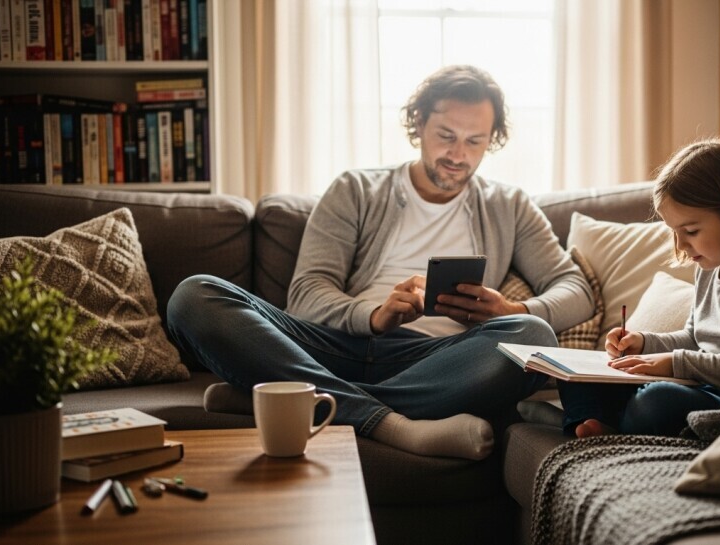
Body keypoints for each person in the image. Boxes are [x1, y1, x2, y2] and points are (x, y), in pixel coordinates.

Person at [166, 65, 595, 460]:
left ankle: (294, 398)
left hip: (436, 360)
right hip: (333, 347)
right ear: (419, 123)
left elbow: (575, 289)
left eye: (474, 141)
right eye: (445, 134)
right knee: (193, 295)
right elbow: (306, 292)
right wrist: (373, 316)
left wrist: (512, 311)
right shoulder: (356, 189)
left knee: (532, 334)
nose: (458, 153)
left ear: (491, 140)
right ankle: (391, 424)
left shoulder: (510, 206)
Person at [559, 136, 720, 438]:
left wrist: (674, 363)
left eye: (691, 231)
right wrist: (642, 343)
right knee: (573, 374)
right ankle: (600, 424)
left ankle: (608, 425)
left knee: (657, 400)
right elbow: (694, 337)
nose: (680, 244)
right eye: (674, 232)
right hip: (695, 384)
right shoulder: (710, 266)